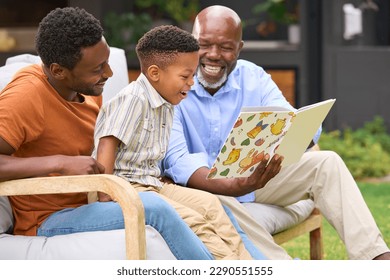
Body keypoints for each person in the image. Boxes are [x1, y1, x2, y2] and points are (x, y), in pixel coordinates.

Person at [162, 5, 390, 260]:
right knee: (216, 204)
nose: (213, 55)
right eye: (204, 44)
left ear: (239, 48)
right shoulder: (173, 84)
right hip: (203, 189)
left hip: (255, 179)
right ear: (191, 42)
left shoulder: (253, 77)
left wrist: (297, 133)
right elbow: (178, 160)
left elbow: (290, 117)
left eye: (225, 47)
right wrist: (232, 185)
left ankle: (376, 260)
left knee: (327, 162)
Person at [0, 7, 216, 260]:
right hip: (52, 217)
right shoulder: (26, 96)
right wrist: (59, 162)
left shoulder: (89, 91)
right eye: (97, 69)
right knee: (156, 209)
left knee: (207, 204)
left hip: (97, 199)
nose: (109, 74)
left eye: (107, 63)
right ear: (59, 71)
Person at [92, 24, 266, 260]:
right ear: (155, 74)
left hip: (152, 184)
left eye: (193, 75)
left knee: (213, 206)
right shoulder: (132, 99)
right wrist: (107, 194)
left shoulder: (167, 102)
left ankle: (248, 265)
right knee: (196, 221)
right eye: (185, 76)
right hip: (127, 189)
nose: (192, 83)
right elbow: (107, 142)